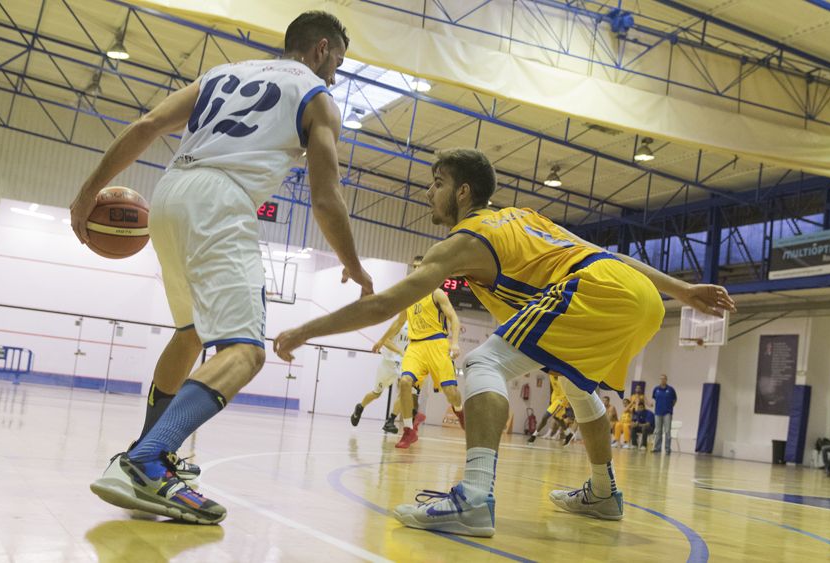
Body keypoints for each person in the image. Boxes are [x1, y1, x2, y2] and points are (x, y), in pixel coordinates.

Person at [273, 147, 735, 536]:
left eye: (436, 183)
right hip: (638, 296)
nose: (427, 193)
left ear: (463, 192)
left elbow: (381, 306)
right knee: (577, 389)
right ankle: (603, 493)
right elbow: (605, 254)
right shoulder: (524, 218)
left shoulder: (464, 240)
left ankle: (473, 497)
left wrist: (304, 330)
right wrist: (681, 290)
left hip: (591, 288)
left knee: (481, 365)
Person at [75, 11, 373, 524]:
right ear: (321, 49)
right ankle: (146, 461)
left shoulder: (223, 72)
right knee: (244, 352)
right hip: (221, 201)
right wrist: (354, 266)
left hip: (169, 196)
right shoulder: (317, 97)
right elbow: (327, 198)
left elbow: (147, 125)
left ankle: (151, 452)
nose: (335, 77)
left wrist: (86, 194)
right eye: (338, 64)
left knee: (190, 333)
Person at [372, 257, 465, 448]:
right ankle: (408, 431)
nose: (414, 271)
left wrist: (454, 343)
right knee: (404, 383)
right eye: (412, 268)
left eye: (418, 268)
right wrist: (382, 340)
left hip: (437, 344)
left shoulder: (437, 294)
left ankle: (460, 411)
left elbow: (454, 319)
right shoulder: (409, 297)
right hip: (415, 347)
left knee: (451, 393)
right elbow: (398, 323)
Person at [350, 323, 409, 432]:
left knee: (405, 390)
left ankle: (390, 421)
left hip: (404, 363)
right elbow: (385, 341)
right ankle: (360, 407)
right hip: (389, 362)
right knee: (376, 393)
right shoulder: (401, 323)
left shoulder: (419, 326)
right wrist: (400, 351)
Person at [527, 372, 569, 444]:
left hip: (562, 399)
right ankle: (568, 434)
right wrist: (550, 400)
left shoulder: (564, 378)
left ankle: (534, 435)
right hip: (554, 397)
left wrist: (567, 407)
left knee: (545, 417)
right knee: (557, 418)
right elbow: (552, 387)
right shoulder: (550, 374)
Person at [650, 374, 677, 454]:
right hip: (658, 412)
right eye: (661, 379)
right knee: (658, 431)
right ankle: (657, 448)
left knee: (667, 431)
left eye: (664, 379)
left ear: (666, 380)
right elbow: (654, 398)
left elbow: (674, 400)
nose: (662, 380)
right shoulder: (656, 389)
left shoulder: (671, 389)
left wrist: (670, 407)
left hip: (667, 413)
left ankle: (667, 449)